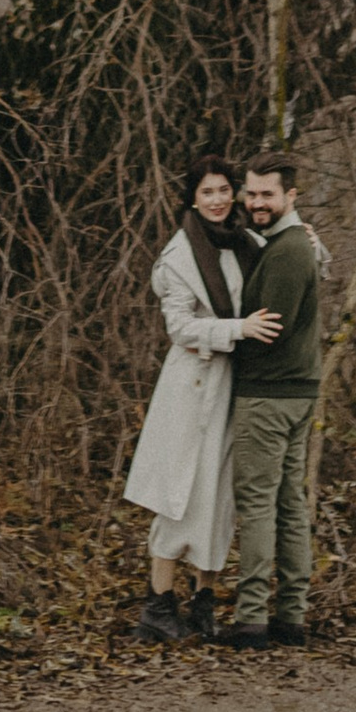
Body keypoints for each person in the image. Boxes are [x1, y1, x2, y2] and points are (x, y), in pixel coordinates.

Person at [122, 158, 282, 640]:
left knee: (219, 493)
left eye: (224, 190)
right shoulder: (177, 257)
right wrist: (239, 328)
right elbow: (179, 328)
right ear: (192, 198)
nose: (218, 199)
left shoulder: (245, 243)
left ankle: (203, 601)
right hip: (191, 388)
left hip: (233, 384)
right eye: (208, 191)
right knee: (180, 493)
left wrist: (310, 245)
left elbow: (284, 269)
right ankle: (157, 606)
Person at [218, 152, 322, 650]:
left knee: (259, 505)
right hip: (295, 392)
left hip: (269, 394)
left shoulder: (288, 250)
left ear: (290, 196)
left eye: (267, 195)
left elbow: (270, 330)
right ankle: (290, 617)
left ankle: (252, 620)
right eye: (252, 193)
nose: (257, 203)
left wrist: (224, 334)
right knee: (288, 503)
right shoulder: (290, 244)